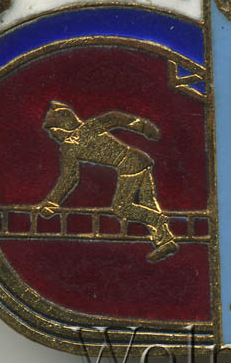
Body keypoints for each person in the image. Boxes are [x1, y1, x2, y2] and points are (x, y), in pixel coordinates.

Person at [37, 100, 179, 262]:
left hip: (130, 164)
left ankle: (157, 220)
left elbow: (113, 117)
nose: (52, 135)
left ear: (64, 125)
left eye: (53, 130)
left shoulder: (80, 136)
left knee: (121, 207)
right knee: (147, 202)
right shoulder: (70, 146)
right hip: (138, 160)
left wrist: (144, 127)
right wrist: (52, 203)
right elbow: (69, 177)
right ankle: (166, 242)